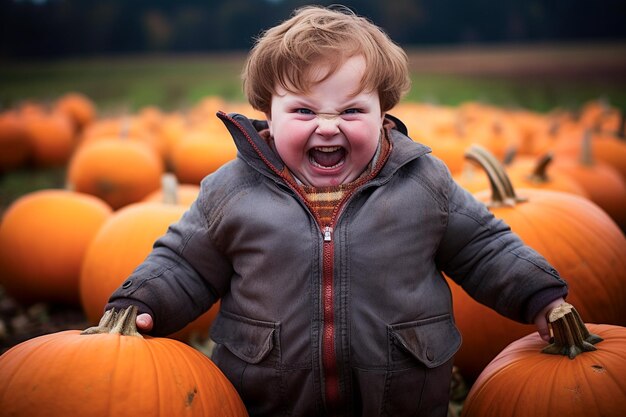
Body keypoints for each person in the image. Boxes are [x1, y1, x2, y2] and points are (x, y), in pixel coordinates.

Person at [105, 5, 567, 417]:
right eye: (304, 112)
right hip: (269, 395)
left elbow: (484, 248)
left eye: (351, 110)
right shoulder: (233, 189)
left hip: (400, 392)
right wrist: (142, 302)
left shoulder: (423, 182)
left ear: (383, 113)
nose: (328, 127)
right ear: (269, 112)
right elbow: (186, 263)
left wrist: (538, 294)